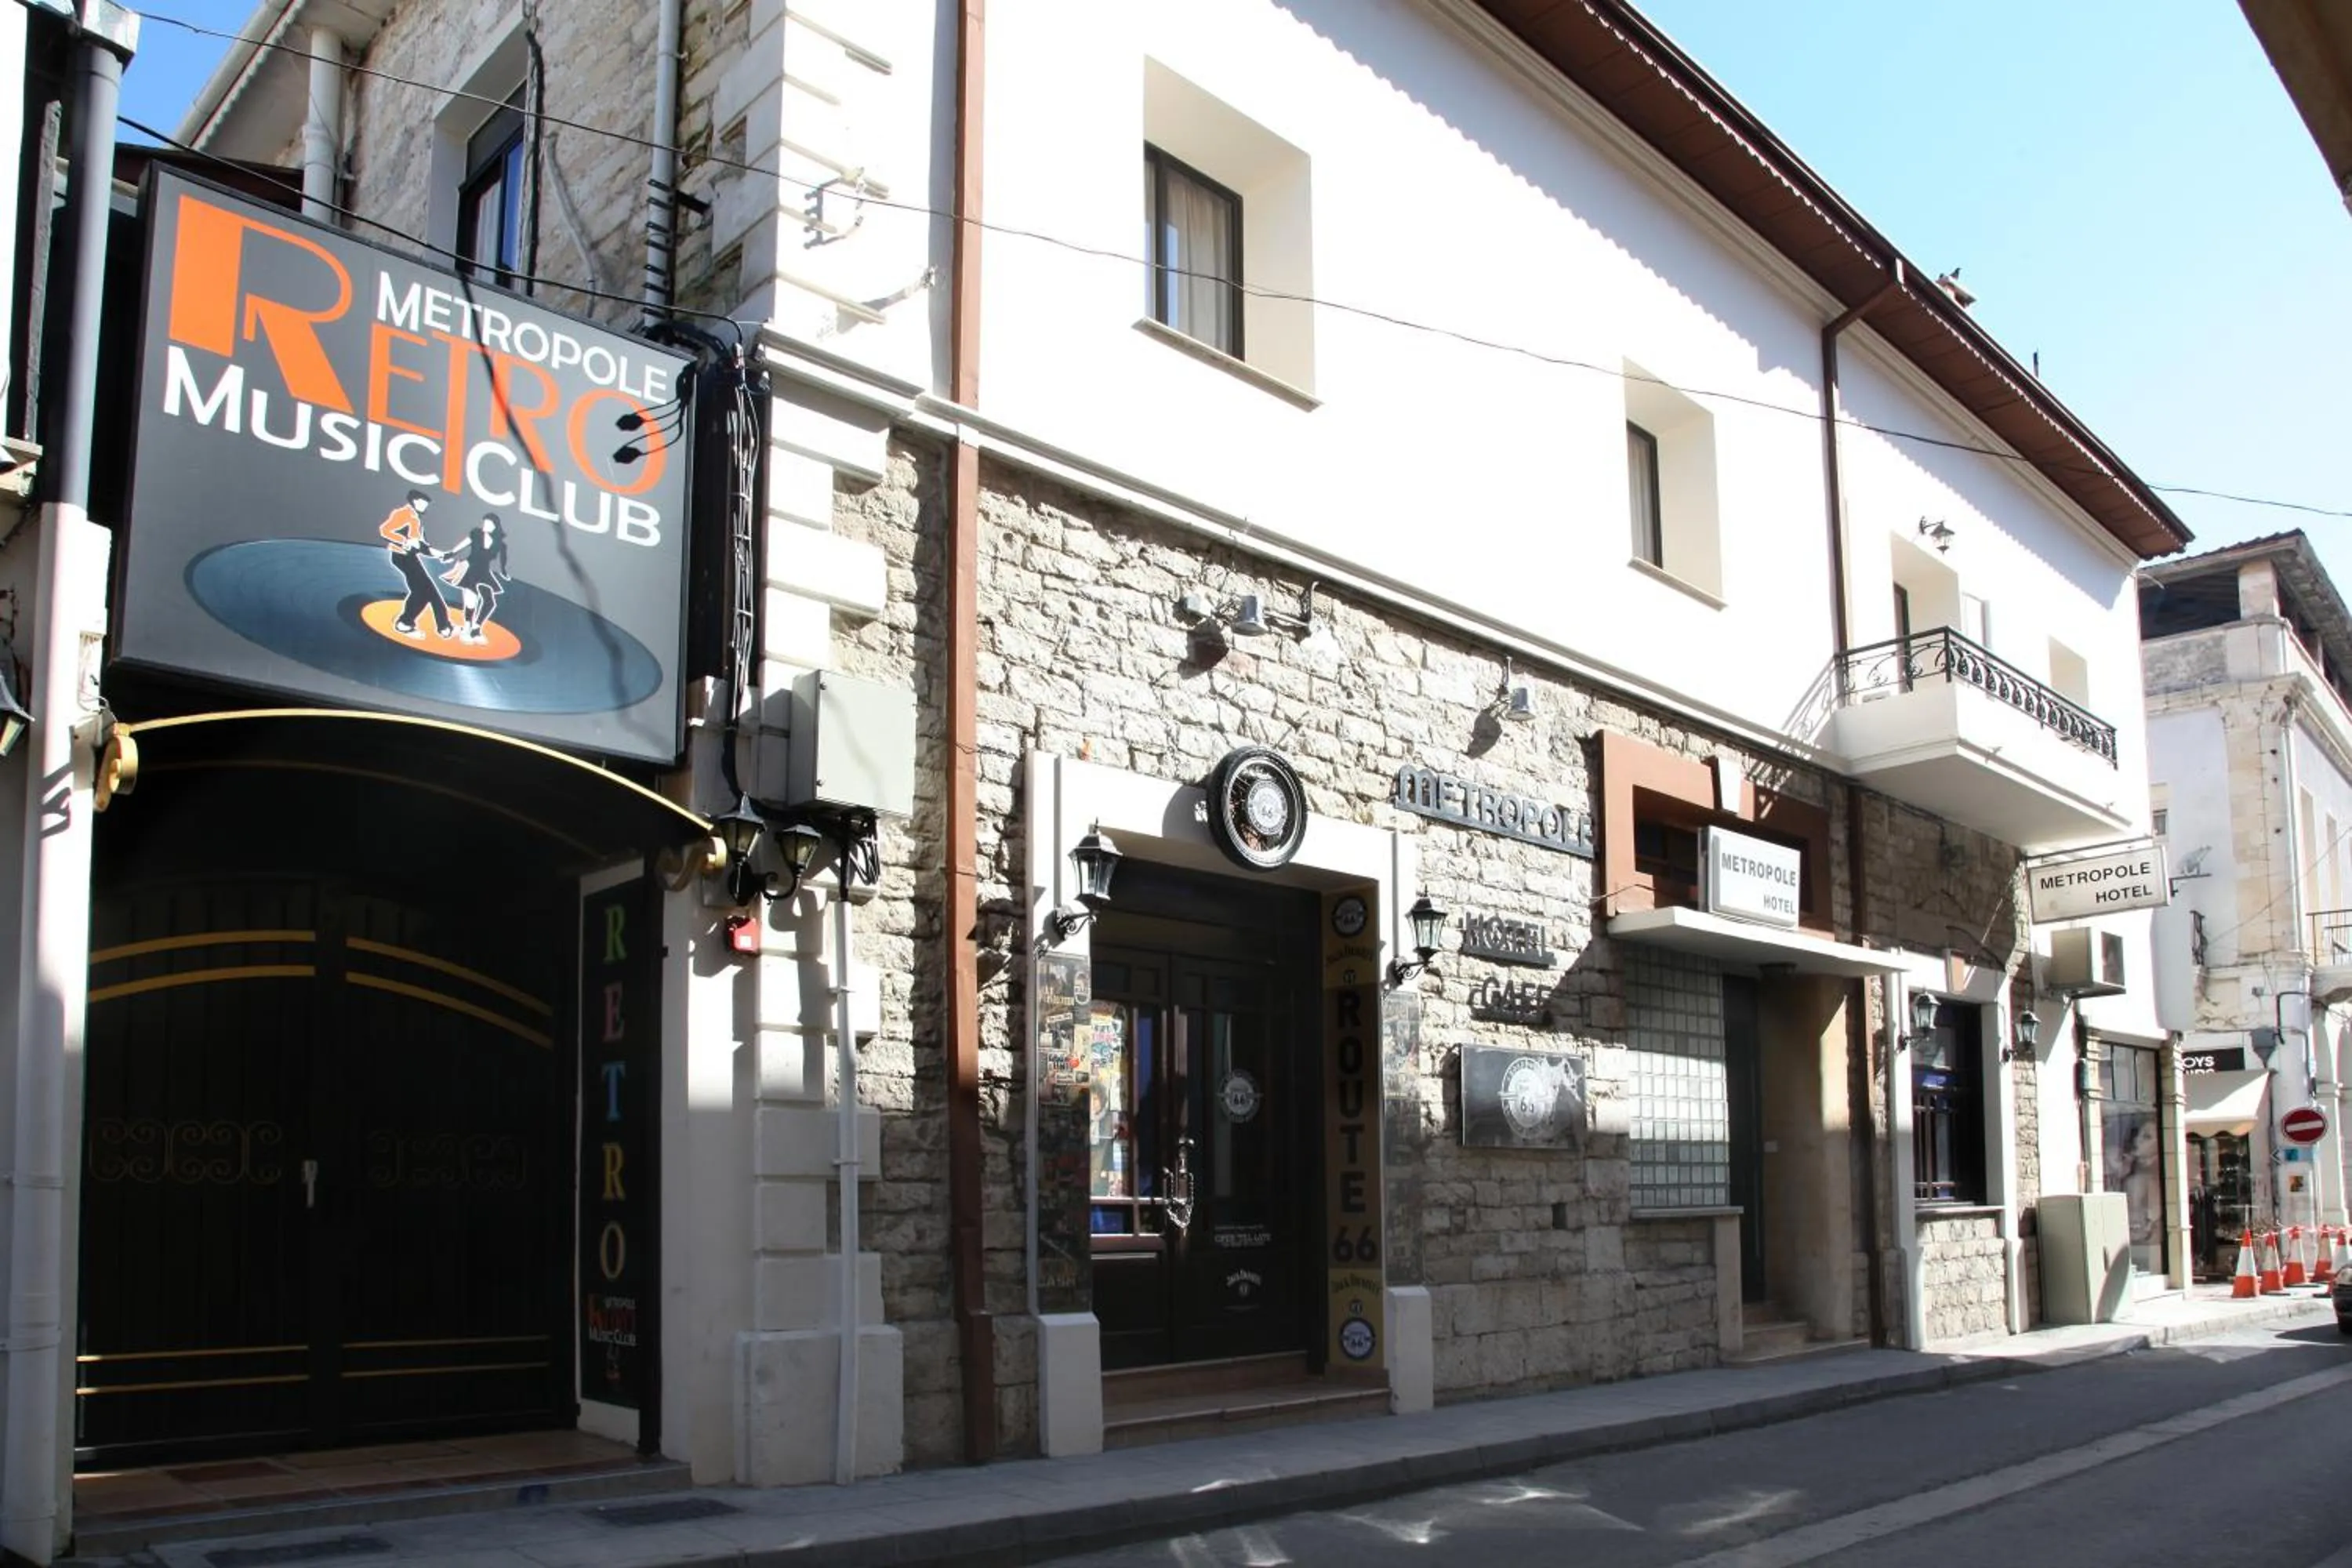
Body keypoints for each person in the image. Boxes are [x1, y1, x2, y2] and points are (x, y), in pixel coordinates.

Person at [377, 488, 452, 639]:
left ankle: (411, 623)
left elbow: (420, 546)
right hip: (402, 556)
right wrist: (404, 541)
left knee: (424, 593)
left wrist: (440, 554)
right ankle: (439, 626)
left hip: (410, 557)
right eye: (424, 503)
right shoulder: (403, 514)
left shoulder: (415, 519)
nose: (425, 507)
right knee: (427, 591)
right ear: (416, 501)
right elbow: (385, 530)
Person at [437, 513, 512, 644]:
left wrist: (504, 572)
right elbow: (463, 544)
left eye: (489, 524)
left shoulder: (500, 544)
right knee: (471, 601)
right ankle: (466, 629)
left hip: (484, 572)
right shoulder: (476, 534)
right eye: (484, 522)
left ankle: (476, 628)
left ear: (495, 526)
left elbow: (503, 559)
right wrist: (450, 553)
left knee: (489, 602)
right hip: (470, 569)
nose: (485, 525)